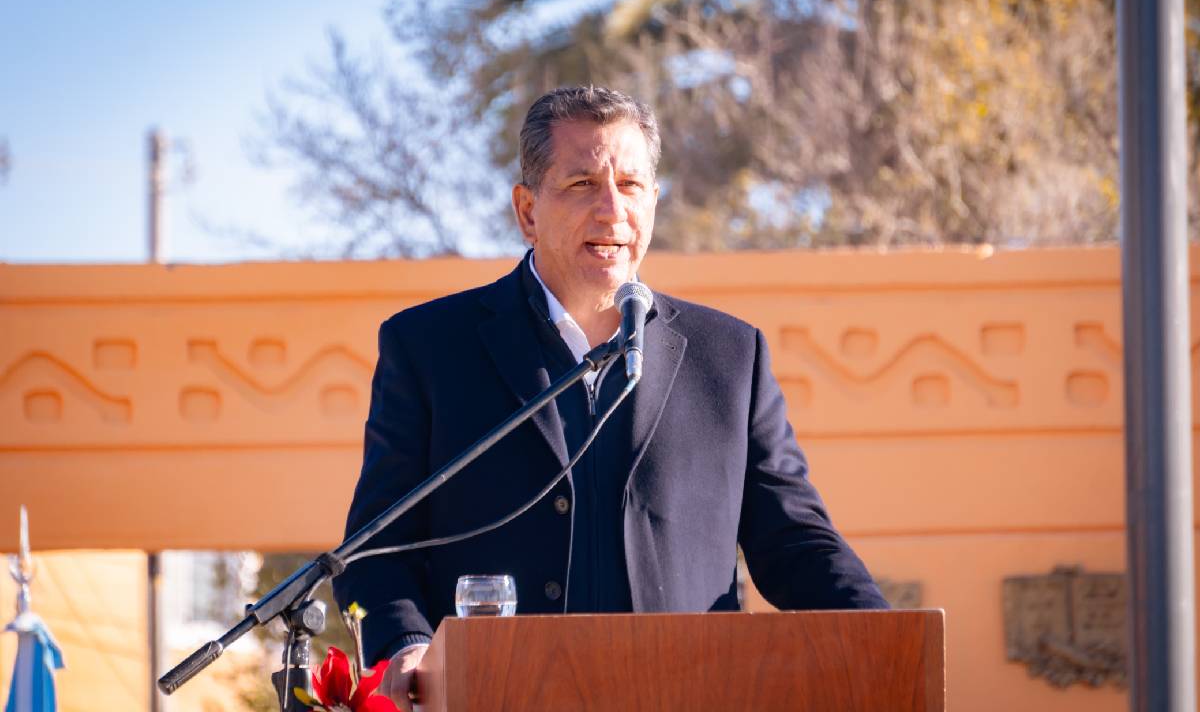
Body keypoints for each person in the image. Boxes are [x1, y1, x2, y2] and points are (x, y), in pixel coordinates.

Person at [332, 85, 887, 709]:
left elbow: (795, 541)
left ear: (654, 201)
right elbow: (376, 548)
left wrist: (887, 637)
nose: (612, 211)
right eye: (582, 185)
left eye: (630, 185)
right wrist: (406, 646)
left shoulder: (731, 356)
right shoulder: (430, 347)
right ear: (527, 211)